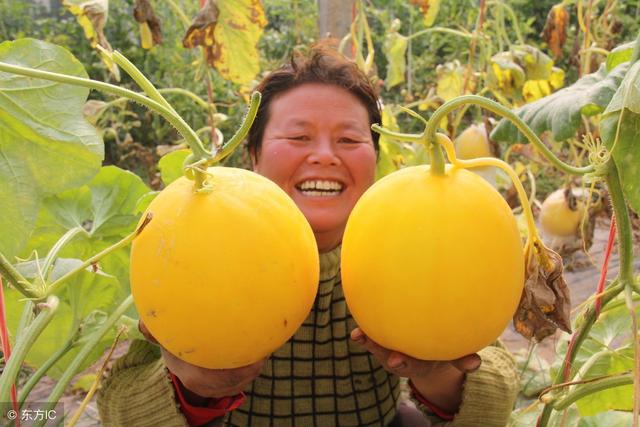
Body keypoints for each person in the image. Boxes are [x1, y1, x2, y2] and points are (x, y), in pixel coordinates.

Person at [97, 45, 519, 427]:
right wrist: (192, 390)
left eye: (350, 139)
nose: (324, 155)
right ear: (254, 155)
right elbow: (118, 407)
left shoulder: (422, 240)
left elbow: (495, 396)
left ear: (376, 158)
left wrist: (437, 374)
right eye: (298, 137)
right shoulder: (188, 239)